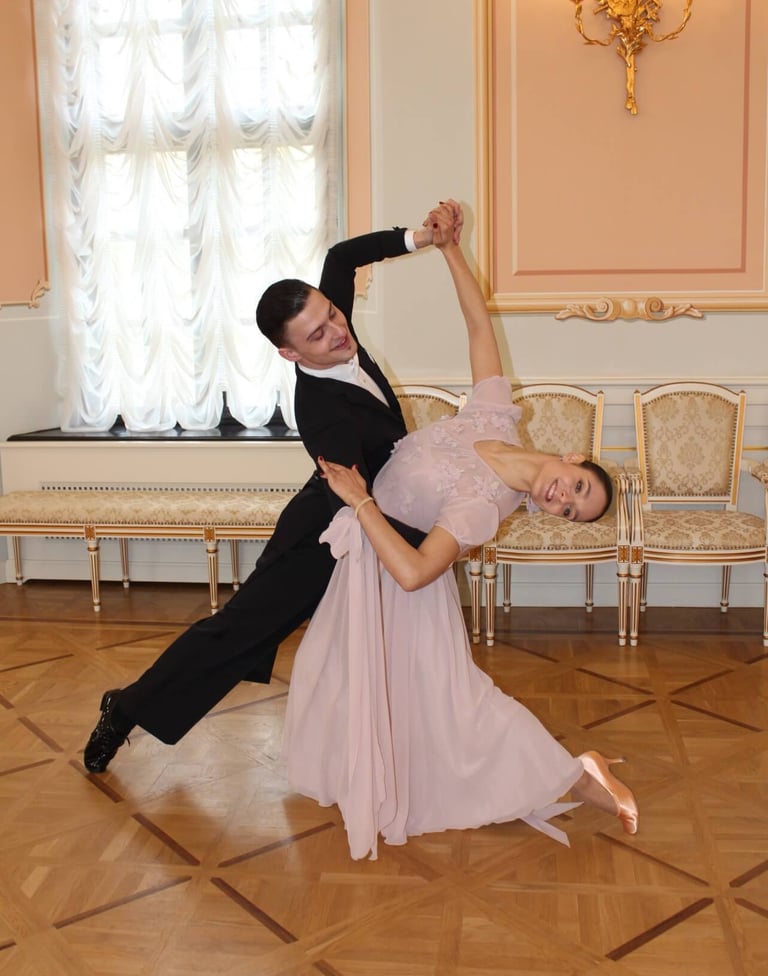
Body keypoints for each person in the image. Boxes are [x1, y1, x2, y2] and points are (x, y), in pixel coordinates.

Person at [283, 201, 635, 860]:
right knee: (365, 686)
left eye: (568, 513)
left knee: (456, 707)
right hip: (369, 556)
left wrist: (359, 503)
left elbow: (416, 574)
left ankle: (576, 776)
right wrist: (449, 249)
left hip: (390, 572)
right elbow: (478, 323)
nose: (562, 501)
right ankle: (569, 769)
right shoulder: (496, 415)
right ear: (576, 459)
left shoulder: (485, 504)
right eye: (578, 490)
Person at [83, 205, 454, 773]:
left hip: (364, 515)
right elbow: (352, 499)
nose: (338, 332)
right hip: (326, 535)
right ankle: (125, 708)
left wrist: (422, 237)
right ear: (290, 353)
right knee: (236, 635)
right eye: (319, 333)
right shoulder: (321, 412)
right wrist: (438, 537)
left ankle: (405, 748)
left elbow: (341, 257)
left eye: (333, 315)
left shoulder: (328, 325)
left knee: (377, 635)